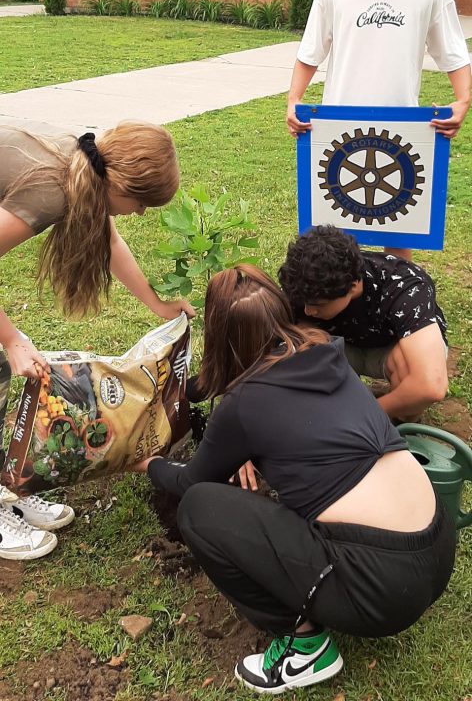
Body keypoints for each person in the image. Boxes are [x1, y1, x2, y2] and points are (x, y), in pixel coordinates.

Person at [135, 266, 455, 695]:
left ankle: (304, 647)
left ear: (220, 331)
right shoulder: (328, 353)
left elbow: (192, 480)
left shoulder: (245, 404)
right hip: (435, 547)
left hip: (381, 589)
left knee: (200, 508)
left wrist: (151, 465)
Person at [0, 121, 194, 561]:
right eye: (142, 203)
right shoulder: (53, 190)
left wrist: (158, 304)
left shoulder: (85, 161)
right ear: (120, 184)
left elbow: (109, 240)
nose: (140, 213)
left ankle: (9, 487)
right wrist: (11, 339)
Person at [286, 0, 471, 260]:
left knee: (398, 227)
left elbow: (454, 54)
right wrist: (294, 100)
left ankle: (398, 308)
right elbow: (310, 52)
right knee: (336, 235)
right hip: (338, 125)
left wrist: (463, 100)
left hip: (402, 128)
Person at [279, 225, 448, 423]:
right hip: (341, 344)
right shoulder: (307, 281)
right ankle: (332, 401)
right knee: (294, 342)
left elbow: (431, 386)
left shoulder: (404, 286)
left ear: (353, 285)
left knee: (410, 370)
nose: (308, 310)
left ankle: (400, 424)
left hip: (389, 348)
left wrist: (365, 415)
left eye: (318, 305)